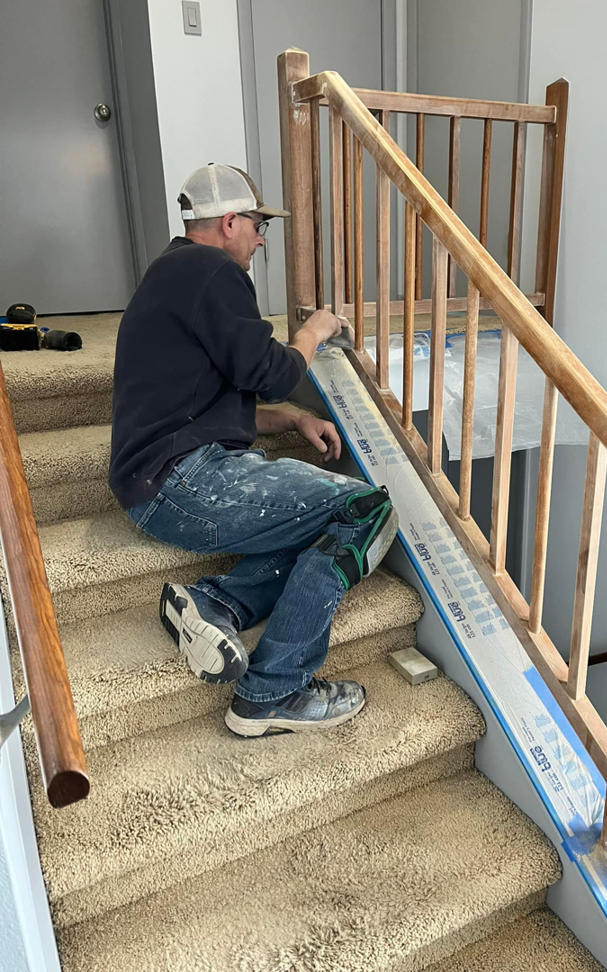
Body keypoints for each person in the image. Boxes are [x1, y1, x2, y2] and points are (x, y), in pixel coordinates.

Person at [108, 163, 398, 737]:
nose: (261, 239)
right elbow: (268, 372)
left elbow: (201, 403)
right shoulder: (211, 270)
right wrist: (314, 331)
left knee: (317, 528)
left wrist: (287, 418)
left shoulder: (171, 275)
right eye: (258, 226)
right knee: (365, 511)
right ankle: (272, 692)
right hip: (182, 480)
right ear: (230, 222)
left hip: (160, 479)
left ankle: (215, 605)